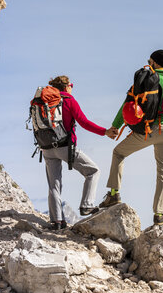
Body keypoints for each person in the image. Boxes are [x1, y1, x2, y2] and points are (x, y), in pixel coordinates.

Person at [99, 50, 163, 225]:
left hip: (148, 130)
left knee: (118, 153)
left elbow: (127, 105)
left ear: (154, 63)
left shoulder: (145, 79)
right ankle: (160, 214)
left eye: (149, 61)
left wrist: (115, 127)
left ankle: (113, 195)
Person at [43, 76, 117, 230]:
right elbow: (84, 122)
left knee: (54, 186)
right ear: (66, 86)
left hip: (46, 147)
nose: (72, 87)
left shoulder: (45, 102)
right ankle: (87, 205)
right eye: (71, 85)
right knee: (93, 171)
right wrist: (105, 132)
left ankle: (57, 221)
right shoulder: (69, 100)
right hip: (65, 147)